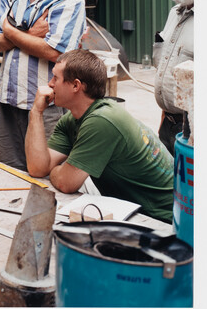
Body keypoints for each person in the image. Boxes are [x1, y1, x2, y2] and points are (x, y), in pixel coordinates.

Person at [24, 49, 174, 223]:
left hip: (162, 218)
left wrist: (56, 171)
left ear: (75, 85)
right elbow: (37, 168)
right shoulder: (72, 119)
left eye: (55, 78)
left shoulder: (102, 121)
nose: (50, 84)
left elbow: (66, 183)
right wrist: (36, 112)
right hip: (135, 211)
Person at [0, 0, 87, 170]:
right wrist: (31, 35)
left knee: (42, 173)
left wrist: (11, 32)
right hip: (9, 97)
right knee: (7, 170)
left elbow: (55, 52)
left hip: (47, 104)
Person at [153, 0, 194, 156]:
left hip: (194, 130)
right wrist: (164, 117)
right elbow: (168, 73)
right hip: (168, 125)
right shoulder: (175, 12)